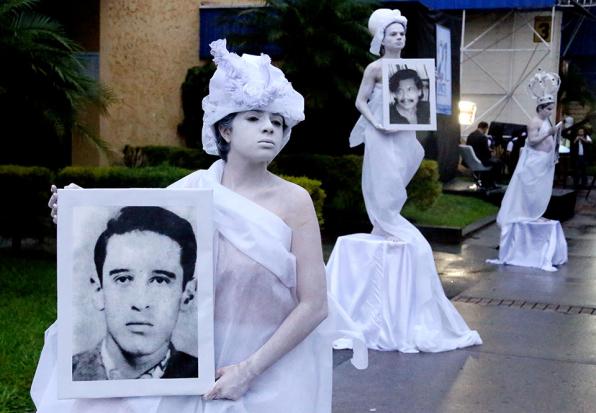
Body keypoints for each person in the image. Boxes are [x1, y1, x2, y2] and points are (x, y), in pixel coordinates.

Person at [35, 39, 366, 413]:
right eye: (254, 118)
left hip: (271, 373)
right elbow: (136, 221)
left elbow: (314, 305)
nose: (269, 129)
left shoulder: (295, 202)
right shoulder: (195, 191)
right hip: (193, 376)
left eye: (277, 121)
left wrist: (248, 371)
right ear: (225, 130)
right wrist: (77, 207)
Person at [344, 8, 481, 352]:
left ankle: (388, 221)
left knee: (400, 177)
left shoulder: (414, 68)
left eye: (402, 34)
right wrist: (377, 122)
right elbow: (360, 101)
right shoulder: (375, 69)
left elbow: (419, 103)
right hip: (381, 134)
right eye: (393, 34)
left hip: (404, 134)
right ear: (381, 38)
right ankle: (386, 222)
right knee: (384, 181)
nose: (399, 38)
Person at [73, 206, 199, 381]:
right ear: (98, 290)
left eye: (160, 280)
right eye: (123, 279)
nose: (140, 303)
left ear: (187, 294)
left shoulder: (204, 378)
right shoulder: (66, 375)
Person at [490, 69, 567, 271]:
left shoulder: (546, 121)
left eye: (551, 109)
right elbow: (532, 141)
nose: (550, 112)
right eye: (548, 109)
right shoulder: (534, 122)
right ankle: (528, 213)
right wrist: (549, 133)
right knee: (531, 189)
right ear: (541, 108)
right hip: (534, 162)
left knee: (539, 190)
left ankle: (534, 213)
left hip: (543, 163)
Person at [466, 121, 502, 187]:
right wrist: (491, 153)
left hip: (472, 159)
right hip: (480, 160)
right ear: (485, 128)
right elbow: (485, 153)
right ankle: (491, 182)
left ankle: (485, 180)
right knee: (498, 162)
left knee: (493, 161)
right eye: (486, 129)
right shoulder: (483, 137)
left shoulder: (470, 135)